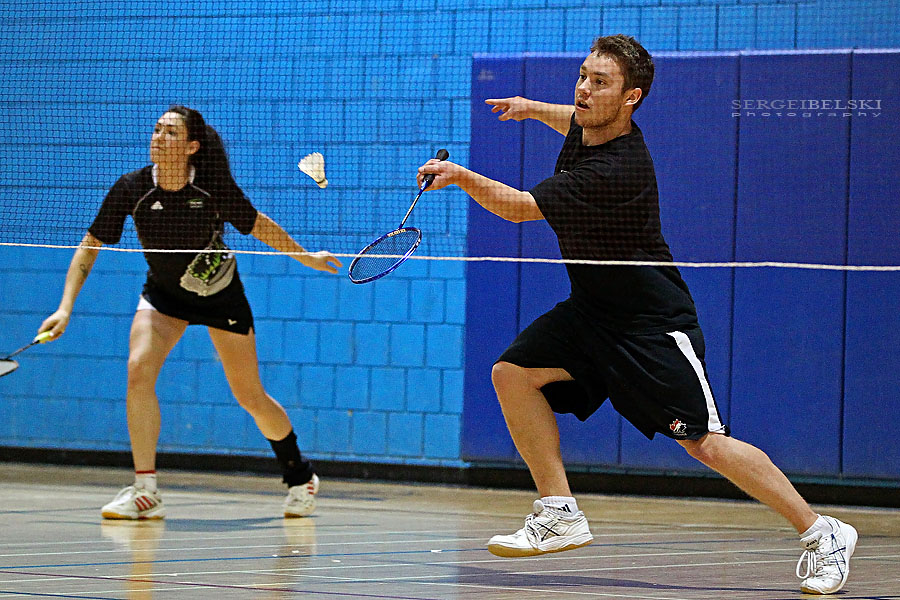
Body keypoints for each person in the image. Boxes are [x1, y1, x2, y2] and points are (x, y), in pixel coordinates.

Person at [417, 35, 856, 595]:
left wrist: (460, 177)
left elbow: (521, 210)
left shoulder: (615, 170)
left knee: (705, 444)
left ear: (632, 98)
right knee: (512, 373)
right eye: (582, 76)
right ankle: (559, 511)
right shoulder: (591, 125)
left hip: (650, 326)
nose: (583, 89)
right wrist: (530, 109)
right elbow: (572, 119)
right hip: (592, 312)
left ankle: (823, 533)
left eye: (600, 83)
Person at [39, 106, 342, 520]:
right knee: (138, 370)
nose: (158, 137)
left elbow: (258, 225)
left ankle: (299, 474)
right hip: (164, 296)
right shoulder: (131, 188)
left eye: (170, 132)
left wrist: (305, 256)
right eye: (157, 129)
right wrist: (64, 306)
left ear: (192, 147)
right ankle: (145, 490)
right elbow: (91, 243)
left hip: (220, 295)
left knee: (249, 396)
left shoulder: (213, 187)